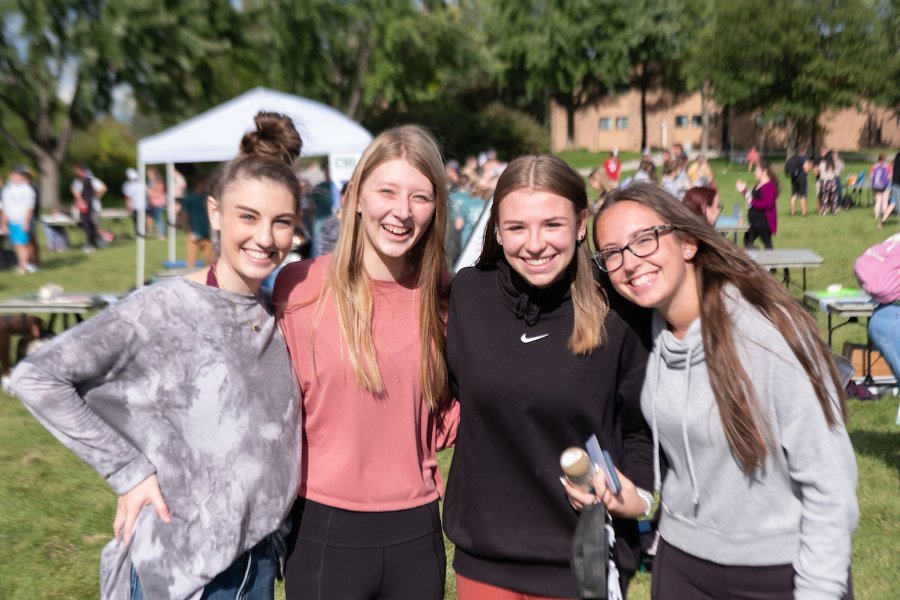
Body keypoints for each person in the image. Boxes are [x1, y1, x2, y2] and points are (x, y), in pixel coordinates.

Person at [11, 111, 304, 600]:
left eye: (281, 223)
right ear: (215, 213)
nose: (264, 237)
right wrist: (129, 472)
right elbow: (38, 377)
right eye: (247, 217)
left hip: (256, 563)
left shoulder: (277, 308)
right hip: (184, 570)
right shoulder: (160, 308)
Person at [586, 181, 858, 600]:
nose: (629, 262)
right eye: (612, 252)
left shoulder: (769, 333)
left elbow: (829, 484)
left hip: (779, 569)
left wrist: (820, 589)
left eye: (643, 239)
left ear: (688, 242)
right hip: (681, 565)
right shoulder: (646, 333)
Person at [444, 155, 653, 599]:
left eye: (552, 225)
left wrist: (635, 495)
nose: (534, 244)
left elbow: (641, 430)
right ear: (497, 230)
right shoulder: (469, 293)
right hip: (485, 561)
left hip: (581, 561)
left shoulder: (619, 309)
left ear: (581, 224)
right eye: (517, 227)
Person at [274, 125, 458, 600]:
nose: (402, 211)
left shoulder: (445, 298)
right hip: (322, 531)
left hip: (417, 533)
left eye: (420, 196)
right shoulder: (297, 289)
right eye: (387, 191)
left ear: (436, 209)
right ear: (355, 196)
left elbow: (459, 405)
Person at [0, 166, 38, 274]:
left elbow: (30, 207)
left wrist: (26, 221)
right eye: (14, 175)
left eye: (19, 176)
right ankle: (24, 264)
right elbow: (6, 208)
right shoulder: (7, 190)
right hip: (12, 221)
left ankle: (24, 266)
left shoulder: (26, 189)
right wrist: (3, 223)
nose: (16, 177)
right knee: (18, 244)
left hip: (22, 220)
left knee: (23, 244)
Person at [737, 162, 779, 249]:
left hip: (763, 222)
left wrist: (752, 201)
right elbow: (751, 198)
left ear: (764, 172)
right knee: (748, 242)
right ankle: (755, 258)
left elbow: (768, 204)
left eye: (757, 171)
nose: (755, 173)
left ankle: (770, 261)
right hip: (754, 220)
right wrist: (744, 191)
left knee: (767, 245)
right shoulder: (759, 185)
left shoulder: (768, 186)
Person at [178, 174, 216, 266]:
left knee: (212, 264)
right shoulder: (190, 198)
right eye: (206, 183)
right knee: (191, 264)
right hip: (193, 236)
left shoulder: (207, 198)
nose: (207, 186)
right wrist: (190, 231)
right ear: (200, 183)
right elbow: (183, 216)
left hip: (207, 236)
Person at [71, 163, 106, 251]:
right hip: (83, 208)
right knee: (87, 226)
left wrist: (97, 196)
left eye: (78, 170)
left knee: (94, 226)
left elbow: (103, 188)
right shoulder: (77, 182)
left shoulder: (92, 180)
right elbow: (75, 192)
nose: (76, 172)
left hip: (93, 207)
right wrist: (79, 200)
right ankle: (92, 243)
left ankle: (95, 243)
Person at [785, 147, 810, 216]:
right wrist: (809, 167)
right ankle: (804, 212)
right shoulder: (804, 158)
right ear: (804, 151)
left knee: (794, 195)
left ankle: (793, 212)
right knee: (803, 195)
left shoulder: (794, 158)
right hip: (802, 178)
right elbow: (806, 169)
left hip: (794, 178)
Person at [122, 167, 146, 237]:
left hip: (137, 205)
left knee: (137, 220)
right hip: (140, 205)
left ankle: (140, 233)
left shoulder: (127, 185)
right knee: (139, 220)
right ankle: (141, 233)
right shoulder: (141, 183)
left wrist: (128, 206)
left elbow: (127, 198)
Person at [871, 153, 892, 225]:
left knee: (878, 201)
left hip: (876, 186)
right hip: (885, 186)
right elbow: (889, 176)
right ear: (885, 159)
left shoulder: (874, 166)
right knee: (885, 201)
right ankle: (884, 216)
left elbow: (871, 177)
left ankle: (876, 216)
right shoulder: (888, 166)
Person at [146, 166, 167, 240]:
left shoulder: (157, 181)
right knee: (151, 217)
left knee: (159, 219)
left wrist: (149, 191)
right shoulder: (151, 181)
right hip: (152, 203)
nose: (147, 174)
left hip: (158, 202)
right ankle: (152, 232)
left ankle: (161, 235)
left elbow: (159, 192)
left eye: (149, 173)